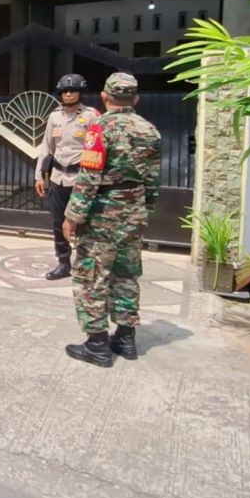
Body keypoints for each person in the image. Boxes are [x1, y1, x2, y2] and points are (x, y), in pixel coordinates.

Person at [61, 73, 161, 367]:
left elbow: (89, 177)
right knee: (127, 275)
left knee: (92, 277)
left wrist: (72, 216)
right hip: (134, 213)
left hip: (102, 215)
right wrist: (145, 211)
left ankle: (97, 345)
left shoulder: (99, 128)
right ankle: (126, 338)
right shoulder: (150, 130)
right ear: (136, 99)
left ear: (105, 97)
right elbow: (153, 180)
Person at [35, 73, 102, 280]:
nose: (69, 93)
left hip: (81, 179)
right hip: (58, 178)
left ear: (81, 92)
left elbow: (97, 148)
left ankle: (85, 264)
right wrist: (39, 175)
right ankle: (63, 263)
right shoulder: (55, 116)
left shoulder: (91, 116)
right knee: (58, 223)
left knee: (83, 223)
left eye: (73, 90)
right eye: (65, 91)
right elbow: (46, 147)